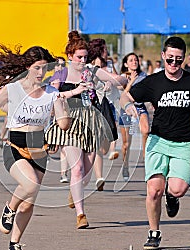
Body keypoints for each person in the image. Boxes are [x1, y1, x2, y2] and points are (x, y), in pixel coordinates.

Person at [120, 36, 190, 250]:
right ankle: (154, 232)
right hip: (158, 141)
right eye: (170, 59)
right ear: (163, 56)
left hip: (185, 143)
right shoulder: (153, 82)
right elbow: (125, 97)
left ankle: (172, 198)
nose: (173, 64)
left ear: (183, 59)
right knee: (154, 190)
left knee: (178, 189)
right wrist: (128, 107)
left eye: (178, 60)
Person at [0, 45, 70, 250]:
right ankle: (9, 208)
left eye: (44, 69)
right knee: (30, 185)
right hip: (14, 146)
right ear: (27, 67)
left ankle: (15, 243)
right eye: (37, 68)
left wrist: (62, 107)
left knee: (29, 202)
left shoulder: (52, 93)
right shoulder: (13, 89)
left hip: (39, 150)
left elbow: (64, 124)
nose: (41, 73)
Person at [46, 31, 126, 228]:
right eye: (79, 57)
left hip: (90, 122)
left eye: (85, 57)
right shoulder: (60, 74)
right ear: (69, 57)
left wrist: (109, 83)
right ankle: (81, 215)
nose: (82, 61)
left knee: (87, 173)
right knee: (77, 168)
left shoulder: (91, 71)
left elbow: (120, 79)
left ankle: (75, 192)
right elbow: (51, 95)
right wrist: (74, 91)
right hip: (70, 122)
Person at [86, 38, 126, 191]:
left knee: (104, 144)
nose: (107, 51)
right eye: (104, 48)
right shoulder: (90, 67)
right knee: (97, 143)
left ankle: (103, 157)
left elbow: (118, 80)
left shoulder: (109, 64)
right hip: (96, 105)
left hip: (110, 104)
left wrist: (114, 81)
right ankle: (99, 177)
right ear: (99, 50)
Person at [119, 52, 149, 181]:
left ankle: (146, 160)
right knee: (126, 143)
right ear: (126, 64)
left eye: (136, 60)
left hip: (140, 108)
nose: (134, 62)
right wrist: (131, 81)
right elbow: (123, 96)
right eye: (131, 60)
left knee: (146, 131)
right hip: (127, 109)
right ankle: (125, 166)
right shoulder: (122, 77)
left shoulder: (143, 76)